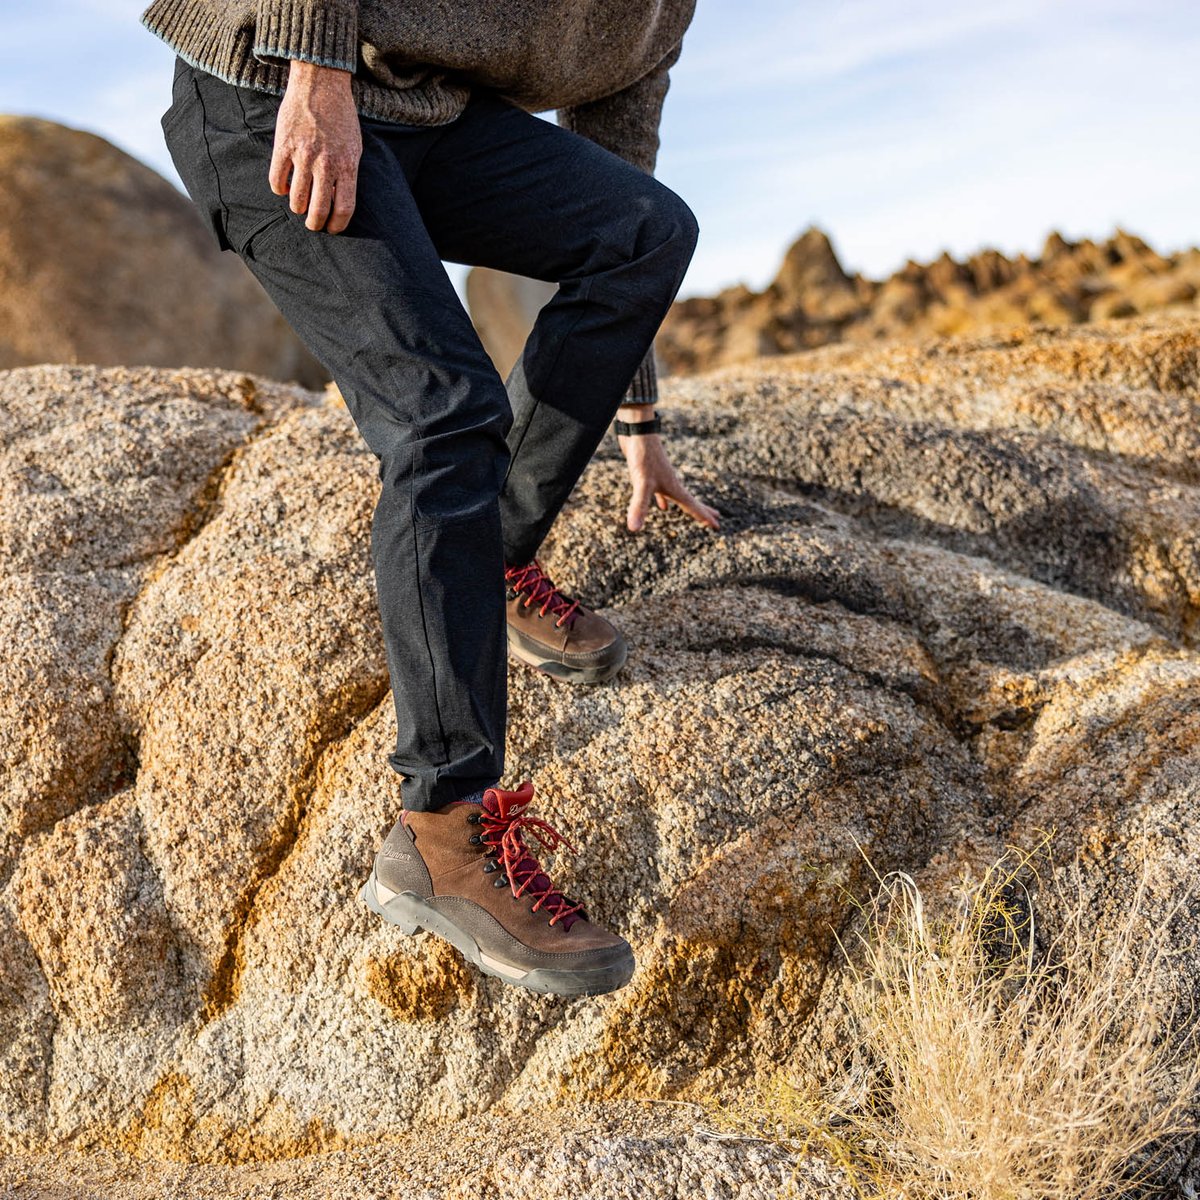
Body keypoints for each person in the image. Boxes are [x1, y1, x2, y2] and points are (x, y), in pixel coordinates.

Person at [141, 0, 718, 997]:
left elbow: (621, 163)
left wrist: (640, 416)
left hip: (429, 120)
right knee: (445, 413)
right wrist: (313, 77)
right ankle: (441, 833)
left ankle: (484, 558)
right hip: (269, 82)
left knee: (645, 229)